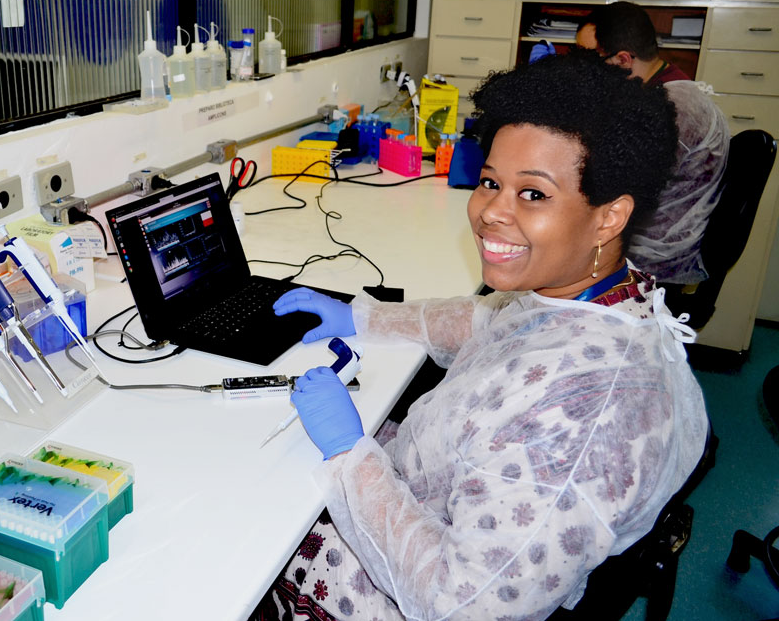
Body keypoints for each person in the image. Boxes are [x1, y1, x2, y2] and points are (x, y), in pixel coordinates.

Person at [258, 52, 709, 620]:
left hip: (412, 594)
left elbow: (461, 606)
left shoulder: (583, 417)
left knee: (249, 531)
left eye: (534, 194)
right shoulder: (594, 291)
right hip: (445, 498)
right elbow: (488, 320)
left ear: (609, 217)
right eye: (491, 182)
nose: (491, 212)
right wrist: (364, 319)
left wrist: (352, 457)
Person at [576, 0, 729, 286]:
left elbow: (608, 182)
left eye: (588, 60)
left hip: (650, 264)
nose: (583, 71)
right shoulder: (663, 90)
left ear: (623, 60)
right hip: (643, 245)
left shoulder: (673, 108)